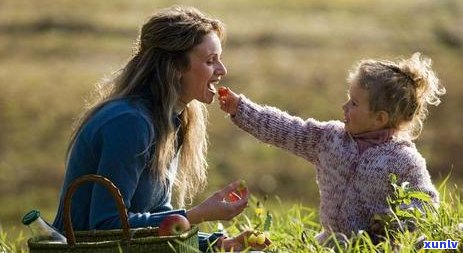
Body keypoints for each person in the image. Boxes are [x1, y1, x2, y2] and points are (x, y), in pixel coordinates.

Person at [52, 5, 269, 252]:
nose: (222, 70)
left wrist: (217, 244)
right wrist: (196, 214)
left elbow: (154, 219)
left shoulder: (171, 120)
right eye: (210, 61)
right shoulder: (129, 124)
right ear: (175, 67)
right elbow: (105, 227)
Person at [218, 52, 445, 245]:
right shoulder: (330, 138)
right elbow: (286, 130)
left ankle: (448, 243)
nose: (344, 106)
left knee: (437, 245)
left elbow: (425, 203)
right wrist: (241, 108)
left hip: (376, 247)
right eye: (348, 98)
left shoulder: (404, 160)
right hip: (329, 243)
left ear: (380, 118)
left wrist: (394, 227)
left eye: (354, 103)